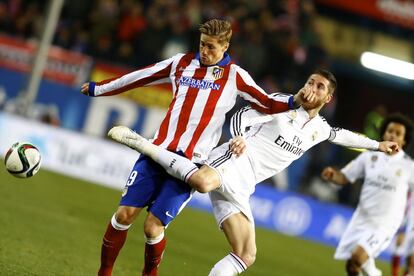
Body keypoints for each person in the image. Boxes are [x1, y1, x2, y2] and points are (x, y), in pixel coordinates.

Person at [107, 69, 399, 275]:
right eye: (311, 81)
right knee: (203, 183)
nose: (312, 87)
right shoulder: (284, 104)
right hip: (234, 159)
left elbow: (344, 136)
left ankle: (149, 148)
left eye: (320, 86)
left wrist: (377, 145)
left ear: (328, 98)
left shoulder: (320, 129)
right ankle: (145, 145)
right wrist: (239, 137)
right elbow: (243, 115)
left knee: (246, 254)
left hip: (246, 185)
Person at [81, 19, 309, 276]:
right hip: (157, 151)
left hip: (190, 164)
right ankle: (104, 272)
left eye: (211, 47)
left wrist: (293, 101)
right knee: (123, 215)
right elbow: (139, 77)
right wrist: (99, 89)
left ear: (225, 46)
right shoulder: (180, 63)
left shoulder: (235, 75)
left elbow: (266, 103)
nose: (204, 51)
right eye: (202, 45)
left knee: (152, 228)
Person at [321, 113, 414, 276]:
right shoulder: (368, 157)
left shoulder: (408, 166)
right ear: (384, 133)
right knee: (352, 267)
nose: (393, 135)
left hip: (385, 224)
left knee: (358, 256)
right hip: (362, 219)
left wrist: (406, 229)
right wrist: (333, 176)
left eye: (398, 133)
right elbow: (345, 177)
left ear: (404, 141)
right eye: (390, 131)